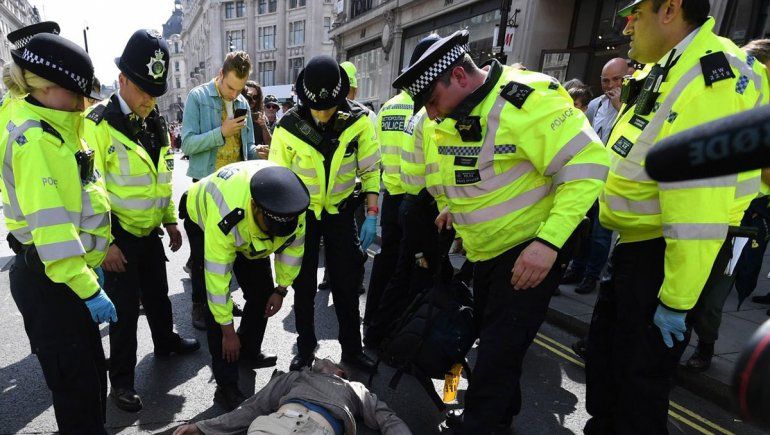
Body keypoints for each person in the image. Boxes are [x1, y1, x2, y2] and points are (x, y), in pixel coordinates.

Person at [393, 30, 609, 433]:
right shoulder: (451, 113)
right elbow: (453, 168)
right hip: (482, 252)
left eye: (434, 103)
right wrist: (450, 208)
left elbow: (588, 165)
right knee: (497, 347)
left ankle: (477, 426)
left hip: (527, 251)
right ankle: (501, 417)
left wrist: (548, 244)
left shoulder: (525, 100)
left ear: (458, 75)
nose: (433, 115)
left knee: (496, 352)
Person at [585, 1, 768, 433]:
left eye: (636, 14)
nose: (627, 26)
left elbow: (699, 205)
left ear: (669, 9)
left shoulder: (711, 78)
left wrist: (677, 301)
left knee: (637, 388)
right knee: (609, 369)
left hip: (662, 256)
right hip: (638, 248)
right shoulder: (669, 65)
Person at [82, 29, 200, 413]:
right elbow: (87, 189)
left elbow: (161, 176)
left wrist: (169, 220)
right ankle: (122, 382)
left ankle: (165, 342)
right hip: (118, 235)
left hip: (149, 232)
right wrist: (106, 243)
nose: (150, 99)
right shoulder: (97, 124)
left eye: (156, 92)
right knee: (124, 314)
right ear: (122, 80)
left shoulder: (155, 122)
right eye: (144, 89)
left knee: (158, 295)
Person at [1, 32, 113, 433]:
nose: (83, 104)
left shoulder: (47, 117)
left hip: (61, 273)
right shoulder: (36, 141)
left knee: (85, 382)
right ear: (46, 88)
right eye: (76, 94)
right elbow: (51, 229)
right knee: (78, 393)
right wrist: (88, 287)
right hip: (54, 279)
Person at [269, 55, 380, 373]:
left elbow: (371, 169)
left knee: (346, 286)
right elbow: (278, 178)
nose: (322, 114)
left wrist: (372, 213)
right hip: (303, 217)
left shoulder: (359, 120)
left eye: (328, 106)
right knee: (303, 287)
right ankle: (305, 349)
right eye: (316, 107)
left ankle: (352, 349)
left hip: (342, 214)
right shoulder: (288, 127)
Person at [183, 160, 309, 410]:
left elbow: (293, 250)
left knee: (262, 293)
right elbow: (217, 286)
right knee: (216, 309)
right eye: (270, 229)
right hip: (203, 217)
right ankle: (226, 383)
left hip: (248, 231)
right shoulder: (227, 215)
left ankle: (248, 349)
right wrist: (228, 333)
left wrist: (280, 290)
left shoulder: (293, 206)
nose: (276, 235)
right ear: (255, 207)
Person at [684, 38, 770, 372]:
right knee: (686, 284)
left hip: (741, 222)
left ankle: (705, 348)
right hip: (703, 208)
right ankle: (676, 342)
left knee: (714, 294)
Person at [363, 33, 445, 346]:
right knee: (410, 268)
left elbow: (379, 152)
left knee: (387, 263)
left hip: (392, 195)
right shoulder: (428, 110)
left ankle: (373, 319)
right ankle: (398, 328)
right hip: (419, 199)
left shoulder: (388, 108)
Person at [182, 51, 259, 331]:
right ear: (220, 74)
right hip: (205, 190)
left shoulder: (242, 103)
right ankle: (199, 305)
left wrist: (257, 152)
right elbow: (187, 144)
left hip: (235, 190)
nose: (233, 95)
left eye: (240, 89)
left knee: (231, 251)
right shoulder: (198, 97)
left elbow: (245, 147)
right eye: (229, 87)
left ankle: (223, 298)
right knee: (204, 255)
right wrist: (221, 132)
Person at [171, 358, 411, 435]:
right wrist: (202, 427)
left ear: (340, 372)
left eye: (327, 359)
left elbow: (387, 418)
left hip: (315, 427)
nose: (318, 360)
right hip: (275, 425)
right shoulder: (295, 377)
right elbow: (252, 408)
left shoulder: (353, 388)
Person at [562, 57, 628, 295]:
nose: (610, 86)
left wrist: (622, 106)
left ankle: (591, 275)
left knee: (601, 234)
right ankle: (576, 267)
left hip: (611, 180)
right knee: (583, 227)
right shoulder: (596, 105)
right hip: (588, 175)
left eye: (616, 79)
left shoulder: (633, 105)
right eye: (605, 81)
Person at [243, 80, 271, 152]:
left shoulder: (261, 117)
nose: (252, 100)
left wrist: (264, 127)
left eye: (255, 97)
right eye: (249, 96)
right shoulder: (235, 113)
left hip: (254, 159)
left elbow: (269, 144)